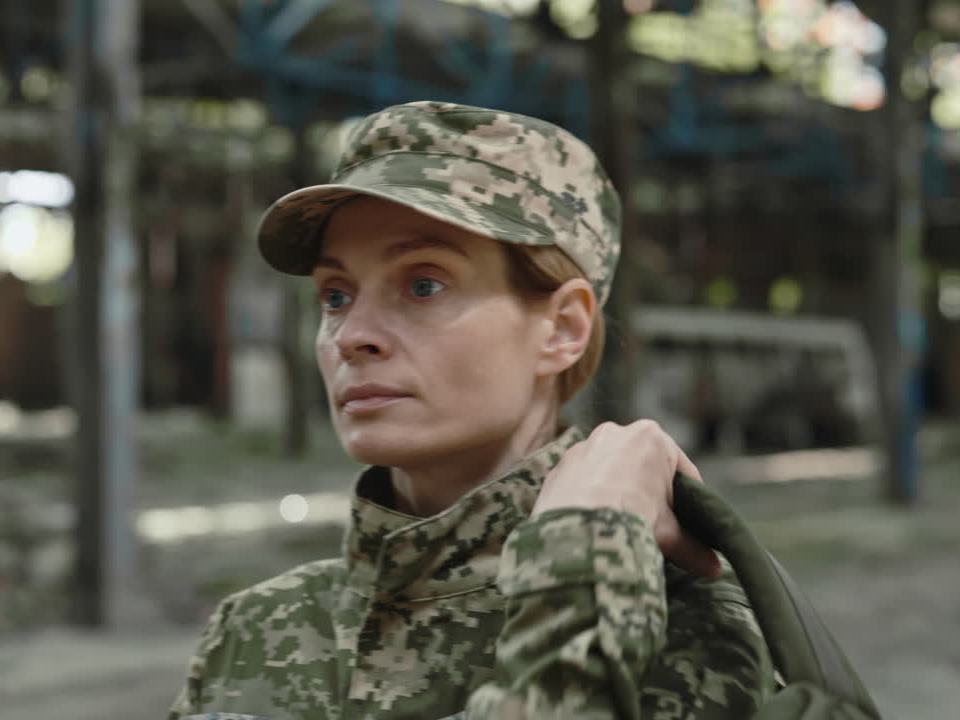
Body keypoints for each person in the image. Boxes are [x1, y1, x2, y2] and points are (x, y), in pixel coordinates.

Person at [167, 101, 774, 719]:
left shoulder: (685, 626)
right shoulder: (256, 630)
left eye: (424, 284)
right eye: (336, 295)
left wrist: (580, 569)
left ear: (562, 328)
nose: (353, 334)